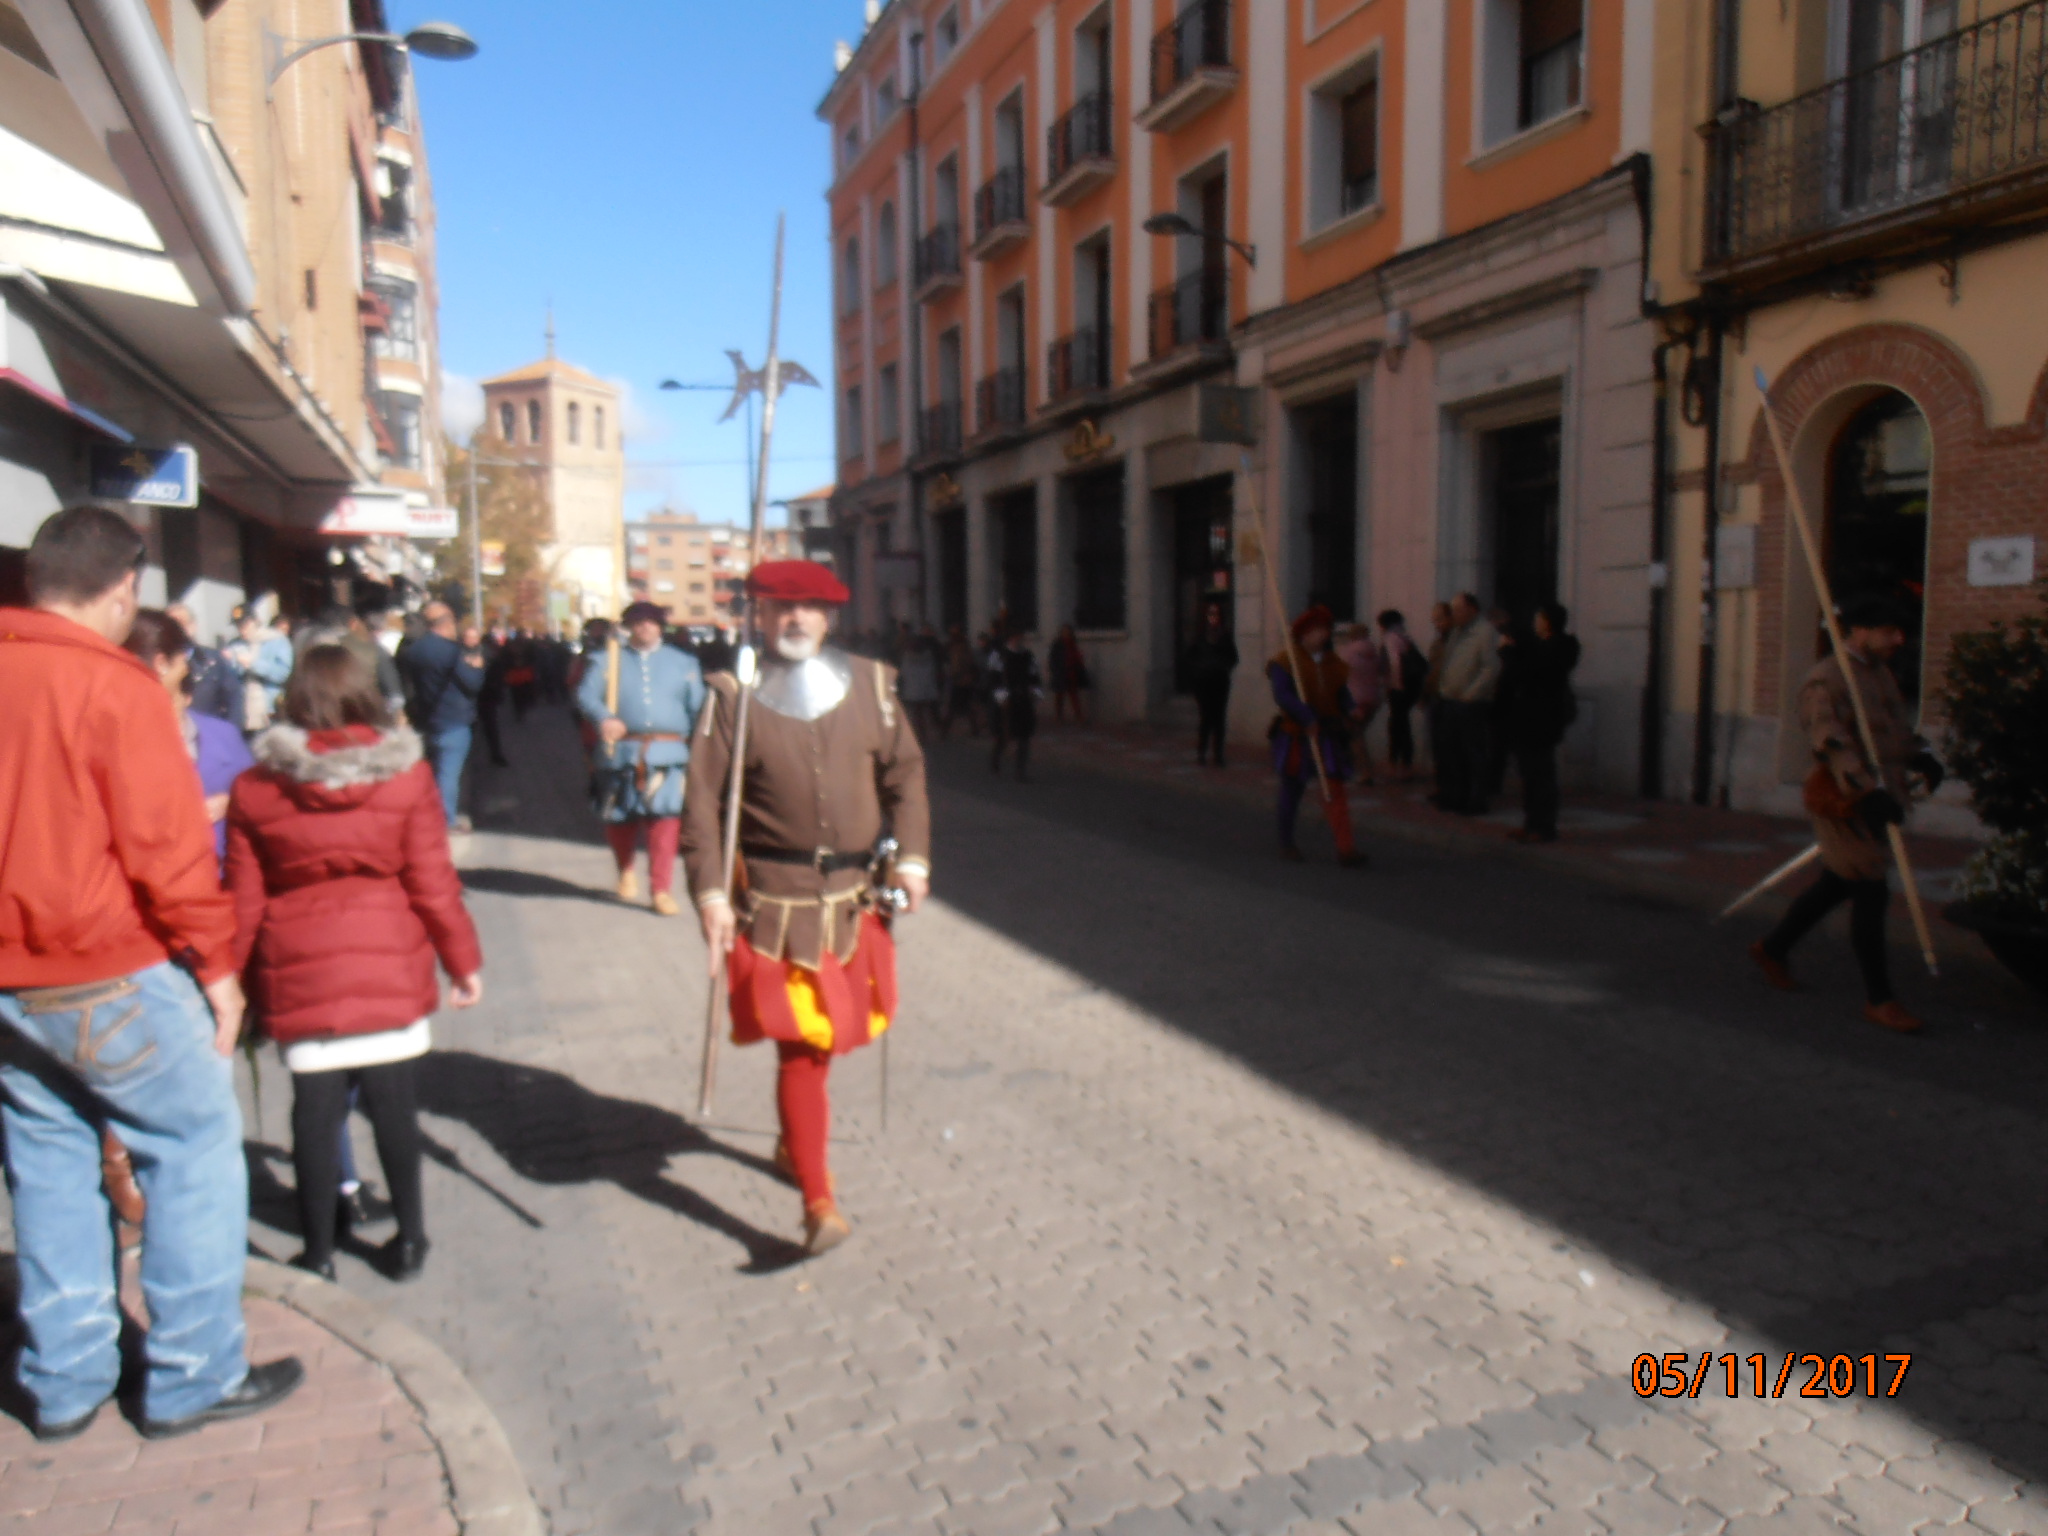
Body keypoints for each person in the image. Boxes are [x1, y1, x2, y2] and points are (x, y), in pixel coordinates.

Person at [0, 506, 302, 1441]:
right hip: (108, 969)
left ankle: (65, 1380)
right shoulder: (115, 686)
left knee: (47, 1163)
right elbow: (167, 849)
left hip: (10, 981)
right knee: (196, 1150)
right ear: (124, 588)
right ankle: (191, 1372)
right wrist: (218, 969)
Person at [683, 560, 930, 1254]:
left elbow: (906, 774)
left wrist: (912, 857)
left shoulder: (876, 687)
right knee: (805, 1047)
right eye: (780, 607)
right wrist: (708, 893)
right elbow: (701, 800)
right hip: (773, 909)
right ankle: (818, 1203)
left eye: (808, 608)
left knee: (820, 1044)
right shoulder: (731, 694)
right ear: (759, 616)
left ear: (830, 618)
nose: (794, 619)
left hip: (854, 903)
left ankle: (796, 1145)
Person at [228, 646, 484, 1281]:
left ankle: (318, 1253)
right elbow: (432, 882)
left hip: (298, 966)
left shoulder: (257, 787)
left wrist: (229, 982)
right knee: (393, 1108)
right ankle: (409, 1240)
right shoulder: (406, 777)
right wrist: (463, 960)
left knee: (313, 1114)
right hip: (387, 961)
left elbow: (243, 899)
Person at [1751, 596, 1942, 1034]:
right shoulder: (1827, 679)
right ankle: (1880, 998)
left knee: (1838, 881)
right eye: (1889, 629)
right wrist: (1866, 792)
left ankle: (1773, 948)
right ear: (1859, 629)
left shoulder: (1878, 674)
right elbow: (1830, 740)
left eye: (1900, 631)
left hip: (1881, 794)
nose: (1898, 639)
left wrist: (1923, 757)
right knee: (1871, 888)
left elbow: (1893, 730)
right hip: (1845, 801)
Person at [577, 601, 709, 916]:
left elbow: (698, 709)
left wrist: (700, 750)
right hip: (620, 751)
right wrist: (603, 717)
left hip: (669, 754)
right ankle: (625, 870)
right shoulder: (605, 660)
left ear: (662, 626)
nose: (645, 627)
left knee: (665, 821)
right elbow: (585, 695)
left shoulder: (684, 663)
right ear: (629, 626)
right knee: (620, 818)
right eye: (638, 622)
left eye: (651, 622)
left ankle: (660, 889)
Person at [124, 609, 255, 862]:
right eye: (183, 658)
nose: (187, 665)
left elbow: (261, 802)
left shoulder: (221, 735)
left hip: (227, 877)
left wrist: (234, 804)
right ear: (162, 664)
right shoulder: (116, 741)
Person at [1268, 606, 1365, 867]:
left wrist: (1351, 708)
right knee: (1291, 790)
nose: (1321, 635)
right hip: (1297, 735)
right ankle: (1286, 841)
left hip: (1326, 734)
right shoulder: (1285, 662)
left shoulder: (1333, 663)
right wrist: (1305, 716)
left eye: (1324, 630)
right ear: (1303, 634)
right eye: (1316, 630)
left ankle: (1346, 848)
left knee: (1334, 789)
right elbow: (1283, 695)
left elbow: (1340, 693)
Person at [397, 602, 484, 831]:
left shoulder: (412, 651)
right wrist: (477, 668)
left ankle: (432, 813)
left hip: (426, 719)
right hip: (454, 720)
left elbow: (406, 686)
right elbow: (472, 684)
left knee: (434, 771)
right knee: (449, 773)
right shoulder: (452, 651)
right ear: (446, 624)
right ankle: (446, 820)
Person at [1505, 602, 1580, 843]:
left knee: (1541, 774)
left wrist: (1509, 653)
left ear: (1547, 622)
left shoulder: (1558, 648)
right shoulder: (1542, 647)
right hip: (1529, 717)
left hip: (1542, 718)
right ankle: (1531, 823)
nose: (1534, 622)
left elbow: (1529, 672)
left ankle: (1544, 826)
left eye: (1538, 618)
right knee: (1529, 774)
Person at [1433, 593, 1501, 815]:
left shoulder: (1484, 632)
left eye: (1458, 610)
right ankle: (1456, 795)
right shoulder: (1457, 632)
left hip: (1471, 702)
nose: (1455, 615)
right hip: (1451, 699)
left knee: (1474, 753)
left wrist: (1472, 694)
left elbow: (1491, 667)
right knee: (1452, 752)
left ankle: (1476, 799)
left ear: (1471, 609)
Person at [166, 602, 243, 729]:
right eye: (172, 624)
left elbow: (234, 699)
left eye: (182, 623)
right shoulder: (156, 663)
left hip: (209, 735)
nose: (178, 629)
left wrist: (230, 735)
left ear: (193, 626)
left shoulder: (213, 660)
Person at [1186, 602, 1239, 767]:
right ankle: (1201, 753)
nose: (1213, 617)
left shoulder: (1225, 636)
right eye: (1210, 614)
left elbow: (1233, 658)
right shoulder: (1200, 636)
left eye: (1216, 614)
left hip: (1220, 682)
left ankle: (1218, 755)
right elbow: (1190, 656)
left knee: (1219, 719)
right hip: (1203, 683)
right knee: (1205, 718)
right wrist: (1198, 669)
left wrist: (1223, 667)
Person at [228, 606, 293, 733]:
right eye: (238, 625)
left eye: (245, 624)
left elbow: (283, 674)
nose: (242, 629)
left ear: (256, 621)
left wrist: (254, 664)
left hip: (270, 710)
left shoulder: (277, 640)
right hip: (244, 711)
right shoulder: (234, 644)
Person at [1377, 610, 1425, 779]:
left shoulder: (1391, 638)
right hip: (1412, 686)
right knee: (1402, 723)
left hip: (1400, 687)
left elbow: (1395, 661)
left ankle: (1397, 763)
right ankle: (1406, 763)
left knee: (1397, 725)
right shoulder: (1404, 636)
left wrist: (1395, 685)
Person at [1335, 622, 1383, 787]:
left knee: (1355, 737)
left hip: (1354, 699)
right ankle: (1364, 771)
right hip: (1372, 698)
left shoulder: (1348, 652)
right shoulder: (1374, 651)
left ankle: (1365, 773)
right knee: (1357, 734)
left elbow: (1339, 675)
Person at [989, 628, 1042, 780]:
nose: (1019, 639)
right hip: (1006, 699)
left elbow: (1034, 675)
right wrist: (1002, 697)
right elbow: (994, 678)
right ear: (1010, 638)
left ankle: (1020, 771)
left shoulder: (1027, 655)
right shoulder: (999, 655)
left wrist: (1035, 692)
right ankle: (995, 760)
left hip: (1023, 698)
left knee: (1024, 735)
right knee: (1003, 735)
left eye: (1020, 636)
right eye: (1016, 636)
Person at [898, 625, 943, 742]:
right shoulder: (928, 656)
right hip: (926, 688)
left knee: (917, 713)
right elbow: (932, 670)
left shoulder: (907, 657)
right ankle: (932, 732)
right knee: (927, 711)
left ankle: (922, 734)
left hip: (913, 689)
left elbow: (903, 672)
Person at [942, 625, 980, 739]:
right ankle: (946, 730)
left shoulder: (962, 648)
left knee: (958, 707)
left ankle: (945, 730)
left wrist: (965, 676)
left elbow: (965, 664)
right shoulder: (955, 647)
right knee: (958, 707)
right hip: (959, 680)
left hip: (962, 680)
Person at [1048, 625, 1089, 725]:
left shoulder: (1072, 643)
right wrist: (1055, 670)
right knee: (1059, 696)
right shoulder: (1057, 644)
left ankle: (1079, 717)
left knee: (1073, 695)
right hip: (1061, 673)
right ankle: (1059, 716)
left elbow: (1076, 656)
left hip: (1071, 673)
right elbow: (1053, 658)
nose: (1067, 634)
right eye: (1065, 632)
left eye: (1068, 632)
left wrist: (1079, 666)